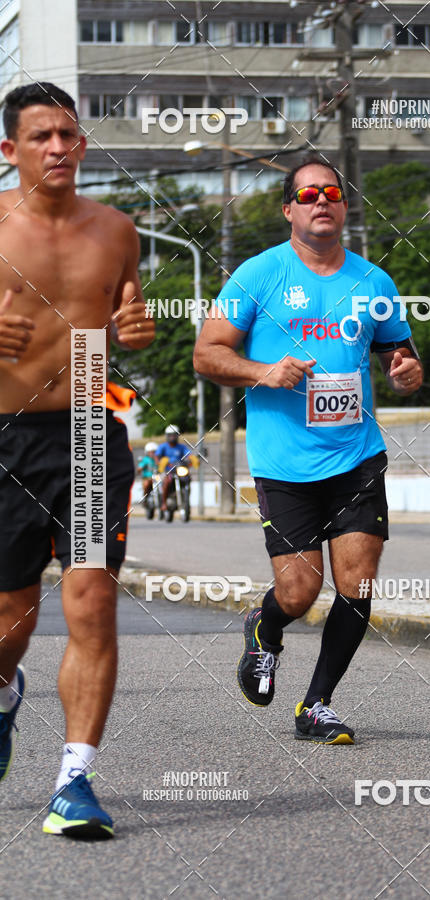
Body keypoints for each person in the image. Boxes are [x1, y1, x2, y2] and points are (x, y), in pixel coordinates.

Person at [193, 154, 423, 744]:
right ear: (290, 209)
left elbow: (400, 351)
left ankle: (316, 704)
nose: (322, 201)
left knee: (358, 584)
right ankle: (264, 630)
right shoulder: (257, 275)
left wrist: (405, 370)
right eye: (309, 193)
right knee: (300, 590)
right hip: (285, 463)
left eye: (333, 193)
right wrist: (262, 371)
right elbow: (206, 354)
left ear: (344, 207)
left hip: (356, 457)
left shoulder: (375, 282)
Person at [0, 82, 155, 837]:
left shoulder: (118, 229)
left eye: (69, 135)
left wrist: (135, 332)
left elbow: (127, 327)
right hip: (5, 435)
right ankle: (4, 698)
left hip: (91, 433)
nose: (59, 147)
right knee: (10, 619)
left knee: (91, 601)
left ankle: (75, 782)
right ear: (10, 151)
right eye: (41, 137)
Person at [155, 425, 192, 511]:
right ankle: (164, 503)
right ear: (167, 436)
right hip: (167, 471)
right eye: (170, 435)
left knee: (188, 479)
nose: (172, 437)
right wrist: (160, 463)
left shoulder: (182, 447)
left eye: (174, 435)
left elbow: (189, 455)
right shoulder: (163, 447)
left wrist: (192, 459)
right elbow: (157, 457)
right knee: (166, 482)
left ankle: (186, 501)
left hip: (179, 470)